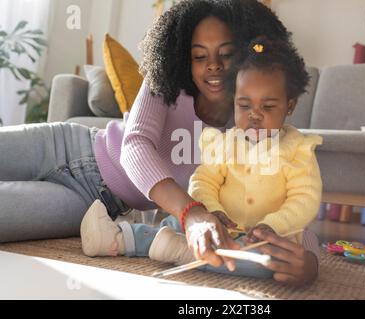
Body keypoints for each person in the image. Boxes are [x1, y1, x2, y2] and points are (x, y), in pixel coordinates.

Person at [0, 0, 315, 286]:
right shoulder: (167, 82)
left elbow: (293, 195)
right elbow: (135, 144)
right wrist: (191, 213)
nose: (213, 65)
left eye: (227, 54)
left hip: (93, 202)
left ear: (248, 53)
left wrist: (310, 262)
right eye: (199, 55)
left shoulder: (254, 127)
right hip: (67, 143)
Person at [81, 37, 321, 285]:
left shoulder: (298, 150)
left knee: (270, 262)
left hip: (262, 238)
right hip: (216, 224)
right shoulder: (225, 142)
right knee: (176, 222)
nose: (255, 116)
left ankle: (167, 247)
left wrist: (277, 229)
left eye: (268, 106)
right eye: (244, 105)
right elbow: (203, 179)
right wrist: (209, 209)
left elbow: (305, 200)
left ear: (289, 105)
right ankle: (122, 236)